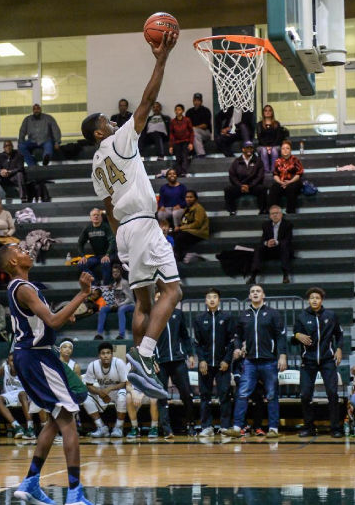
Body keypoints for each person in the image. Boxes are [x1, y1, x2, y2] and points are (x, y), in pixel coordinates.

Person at [81, 32, 181, 400]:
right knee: (172, 290)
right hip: (141, 225)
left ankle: (143, 372)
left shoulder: (95, 165)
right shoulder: (117, 140)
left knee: (142, 302)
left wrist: (122, 243)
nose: (113, 121)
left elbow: (108, 210)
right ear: (98, 131)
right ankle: (143, 356)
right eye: (107, 120)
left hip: (123, 231)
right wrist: (161, 58)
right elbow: (147, 101)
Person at [0, 243, 93, 505]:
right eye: (19, 249)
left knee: (55, 418)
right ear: (12, 264)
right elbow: (52, 321)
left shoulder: (23, 288)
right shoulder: (25, 288)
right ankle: (75, 495)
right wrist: (82, 294)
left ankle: (30, 482)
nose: (25, 250)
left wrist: (67, 313)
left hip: (32, 355)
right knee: (68, 419)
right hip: (36, 355)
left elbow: (47, 320)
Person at [227, 284, 287, 439]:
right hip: (250, 361)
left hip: (269, 361)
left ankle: (273, 428)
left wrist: (282, 356)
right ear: (249, 296)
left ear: (263, 295)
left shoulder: (273, 314)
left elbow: (281, 336)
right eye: (252, 291)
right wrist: (238, 347)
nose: (255, 293)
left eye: (258, 291)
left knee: (272, 395)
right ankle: (236, 427)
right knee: (242, 393)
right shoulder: (243, 315)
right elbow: (237, 336)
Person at [292, 287, 344, 438]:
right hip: (308, 361)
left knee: (332, 393)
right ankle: (309, 427)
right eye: (312, 297)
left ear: (322, 300)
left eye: (317, 297)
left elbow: (339, 335)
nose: (314, 300)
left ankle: (335, 427)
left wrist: (339, 349)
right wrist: (296, 335)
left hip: (328, 360)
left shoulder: (331, 315)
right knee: (305, 395)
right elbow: (294, 339)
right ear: (308, 300)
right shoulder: (301, 317)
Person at [153, 289, 196, 438]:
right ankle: (167, 429)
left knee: (186, 394)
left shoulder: (177, 314)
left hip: (178, 360)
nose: (160, 299)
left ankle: (191, 425)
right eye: (157, 297)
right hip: (160, 362)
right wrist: (151, 360)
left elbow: (185, 336)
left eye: (162, 296)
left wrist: (190, 354)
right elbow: (146, 341)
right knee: (162, 396)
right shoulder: (150, 315)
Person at [194, 288, 235, 437]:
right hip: (205, 365)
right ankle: (206, 426)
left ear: (219, 300)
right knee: (205, 396)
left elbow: (232, 342)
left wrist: (226, 359)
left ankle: (225, 426)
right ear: (205, 300)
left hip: (222, 364)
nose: (212, 300)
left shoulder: (227, 317)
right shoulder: (199, 319)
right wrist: (202, 360)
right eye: (209, 297)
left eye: (215, 297)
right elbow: (197, 343)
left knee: (224, 395)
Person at [82, 341, 127, 438]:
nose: (106, 356)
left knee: (123, 396)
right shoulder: (93, 365)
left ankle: (119, 427)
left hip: (117, 391)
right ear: (99, 355)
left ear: (112, 354)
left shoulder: (119, 363)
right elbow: (89, 385)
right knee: (85, 399)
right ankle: (101, 427)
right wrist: (100, 393)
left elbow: (124, 383)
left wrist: (110, 388)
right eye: (103, 353)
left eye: (108, 353)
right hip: (102, 392)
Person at [247, 205, 293, 285]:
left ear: (281, 214)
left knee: (284, 246)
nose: (275, 215)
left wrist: (276, 242)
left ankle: (285, 275)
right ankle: (253, 276)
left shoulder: (288, 224)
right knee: (259, 248)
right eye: (272, 214)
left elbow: (288, 240)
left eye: (277, 213)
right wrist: (267, 243)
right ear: (270, 216)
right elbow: (263, 240)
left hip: (282, 249)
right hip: (270, 249)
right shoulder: (265, 225)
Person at [223, 140, 267, 216]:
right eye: (247, 148)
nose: (249, 150)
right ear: (243, 149)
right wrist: (240, 185)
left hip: (253, 186)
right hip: (240, 186)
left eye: (251, 148)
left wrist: (249, 186)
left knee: (262, 189)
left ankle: (263, 210)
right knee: (228, 190)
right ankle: (232, 210)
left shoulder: (258, 161)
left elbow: (259, 176)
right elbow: (232, 176)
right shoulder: (237, 161)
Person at [0, 353, 36, 439]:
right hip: (9, 395)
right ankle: (17, 426)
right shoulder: (4, 368)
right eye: (12, 361)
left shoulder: (25, 369)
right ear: (8, 362)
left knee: (22, 394)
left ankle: (30, 428)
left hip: (23, 396)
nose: (14, 362)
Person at [94, 264, 135, 340]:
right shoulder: (115, 284)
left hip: (130, 305)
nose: (115, 274)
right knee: (103, 309)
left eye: (117, 272)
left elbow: (130, 299)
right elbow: (116, 298)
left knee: (121, 309)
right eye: (113, 272)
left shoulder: (124, 283)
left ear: (120, 273)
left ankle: (121, 335)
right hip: (119, 305)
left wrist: (118, 305)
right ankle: (99, 334)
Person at [77, 208, 116, 286]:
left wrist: (107, 254)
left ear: (101, 217)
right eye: (93, 215)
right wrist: (82, 256)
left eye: (98, 215)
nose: (96, 216)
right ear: (90, 217)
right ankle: (95, 283)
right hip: (97, 256)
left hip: (109, 255)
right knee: (81, 264)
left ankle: (106, 285)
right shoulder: (88, 229)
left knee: (105, 262)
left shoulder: (106, 227)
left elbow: (112, 241)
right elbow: (80, 243)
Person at [268, 139, 304, 214]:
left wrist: (289, 182)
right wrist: (280, 182)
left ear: (290, 150)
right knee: (274, 188)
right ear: (281, 150)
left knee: (291, 188)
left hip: (293, 182)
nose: (285, 150)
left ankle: (290, 211)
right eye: (283, 148)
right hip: (281, 182)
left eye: (287, 148)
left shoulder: (295, 160)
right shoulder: (278, 161)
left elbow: (299, 174)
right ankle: (275, 212)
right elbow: (275, 174)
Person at [173, 190, 209, 262]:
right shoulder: (188, 208)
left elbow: (197, 224)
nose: (188, 199)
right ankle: (179, 256)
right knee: (175, 234)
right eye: (187, 197)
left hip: (199, 232)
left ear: (195, 198)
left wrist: (181, 228)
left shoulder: (199, 208)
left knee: (180, 237)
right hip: (191, 231)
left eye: (191, 197)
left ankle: (179, 258)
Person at [256, 105, 288, 175]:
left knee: (274, 150)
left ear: (272, 112)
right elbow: (259, 138)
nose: (267, 112)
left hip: (275, 145)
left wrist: (271, 146)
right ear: (263, 113)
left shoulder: (276, 123)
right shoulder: (259, 124)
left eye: (269, 110)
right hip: (262, 146)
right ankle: (266, 170)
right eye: (265, 110)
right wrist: (266, 146)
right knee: (264, 151)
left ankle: (274, 170)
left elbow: (278, 137)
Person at [169, 104, 194, 177]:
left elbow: (191, 132)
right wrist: (171, 146)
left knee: (184, 156)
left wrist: (191, 143)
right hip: (177, 142)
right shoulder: (172, 121)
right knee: (178, 157)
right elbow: (171, 134)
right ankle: (178, 172)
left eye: (179, 109)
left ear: (183, 111)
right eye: (176, 109)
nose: (177, 111)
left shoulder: (187, 120)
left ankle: (184, 172)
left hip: (186, 141)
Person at [185, 93, 212, 158]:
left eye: (198, 100)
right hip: (193, 134)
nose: (196, 102)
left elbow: (205, 126)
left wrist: (193, 128)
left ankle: (201, 154)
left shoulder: (205, 110)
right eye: (195, 100)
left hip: (205, 133)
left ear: (201, 101)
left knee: (194, 131)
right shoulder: (189, 112)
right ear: (193, 101)